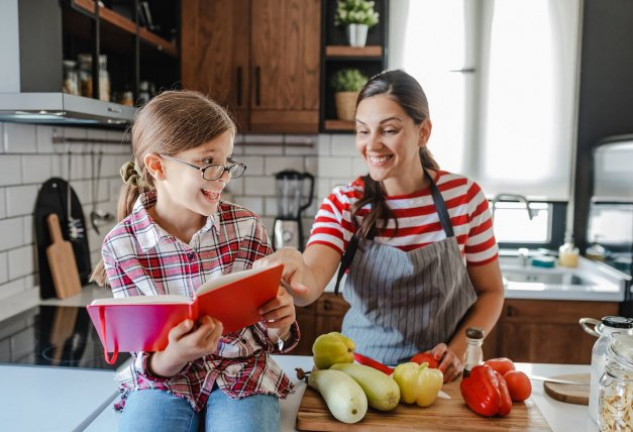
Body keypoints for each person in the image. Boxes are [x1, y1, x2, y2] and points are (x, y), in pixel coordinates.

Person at [255, 69, 504, 382]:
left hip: (441, 375)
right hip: (361, 373)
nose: (371, 144)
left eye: (388, 130)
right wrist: (293, 265)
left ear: (423, 132)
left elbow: (491, 291)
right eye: (362, 131)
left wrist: (458, 350)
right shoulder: (345, 203)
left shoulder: (464, 198)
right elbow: (310, 284)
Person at [90, 90, 299, 432]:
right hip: (165, 381)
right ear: (157, 166)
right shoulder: (121, 246)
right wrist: (177, 355)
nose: (224, 176)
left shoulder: (246, 227)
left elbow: (268, 328)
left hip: (241, 374)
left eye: (226, 162)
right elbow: (147, 358)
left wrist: (280, 324)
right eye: (207, 164)